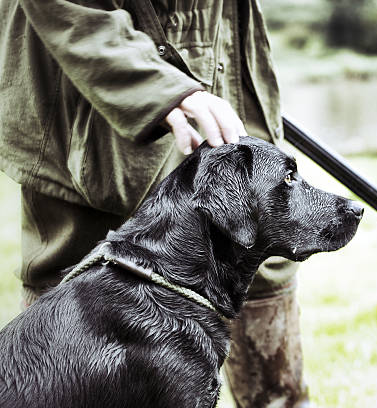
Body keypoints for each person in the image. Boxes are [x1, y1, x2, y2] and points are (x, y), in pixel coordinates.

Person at [0, 1, 310, 406]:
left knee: (263, 269)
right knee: (76, 306)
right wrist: (158, 86)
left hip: (223, 66)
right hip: (89, 102)